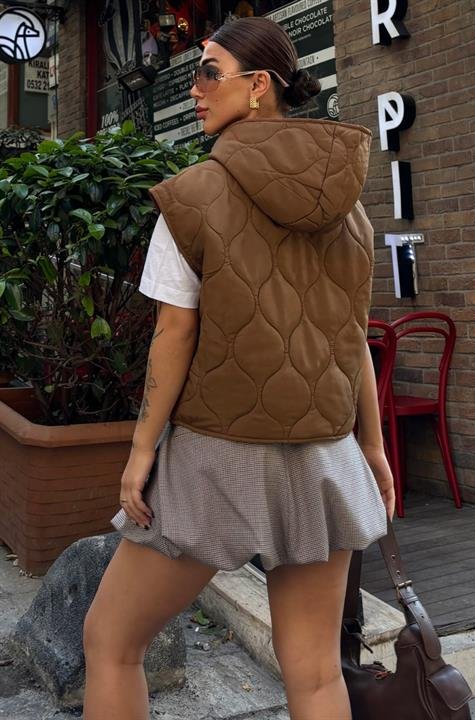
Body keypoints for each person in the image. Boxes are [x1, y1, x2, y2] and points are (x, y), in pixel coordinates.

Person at [83, 15, 395, 720]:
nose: (192, 88)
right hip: (324, 454)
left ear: (258, 87)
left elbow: (173, 333)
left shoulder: (192, 196)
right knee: (316, 672)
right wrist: (371, 448)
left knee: (110, 640)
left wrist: (141, 451)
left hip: (217, 455)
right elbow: (352, 339)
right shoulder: (351, 213)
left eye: (208, 72)